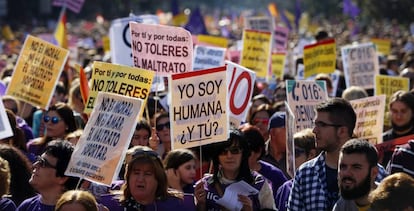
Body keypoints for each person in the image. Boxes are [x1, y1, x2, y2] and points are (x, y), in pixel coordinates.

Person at [288, 97, 356, 210]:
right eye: (315, 124)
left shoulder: (372, 174)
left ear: (342, 131)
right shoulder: (305, 173)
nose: (314, 130)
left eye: (322, 125)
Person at [194, 127, 276, 211]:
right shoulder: (205, 186)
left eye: (235, 150)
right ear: (217, 157)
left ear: (243, 154)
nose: (229, 156)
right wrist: (201, 205)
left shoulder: (259, 183)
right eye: (223, 152)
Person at [102, 146, 187, 210]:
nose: (140, 179)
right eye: (136, 173)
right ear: (128, 177)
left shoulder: (176, 205)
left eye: (147, 174)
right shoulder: (110, 206)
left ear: (158, 179)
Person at [17, 140, 80, 211]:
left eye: (43, 163)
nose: (35, 165)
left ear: (62, 178)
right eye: (38, 159)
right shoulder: (27, 206)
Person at [275, 128, 319, 211]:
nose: (290, 158)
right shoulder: (285, 188)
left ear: (311, 154)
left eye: (296, 153)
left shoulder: (322, 185)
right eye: (289, 153)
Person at [240, 124, 287, 200]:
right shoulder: (229, 173)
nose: (240, 157)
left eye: (246, 153)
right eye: (235, 151)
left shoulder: (275, 175)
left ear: (258, 151)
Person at [333, 138, 379, 211]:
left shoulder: (393, 203)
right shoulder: (342, 206)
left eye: (356, 167)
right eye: (343, 167)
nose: (347, 173)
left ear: (374, 173)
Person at [382, 90, 414, 166]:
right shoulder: (382, 140)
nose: (399, 116)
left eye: (403, 111)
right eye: (395, 111)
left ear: (412, 112)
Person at [263, 111, 289, 178]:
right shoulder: (257, 155)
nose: (292, 134)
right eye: (288, 130)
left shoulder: (296, 157)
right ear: (273, 133)